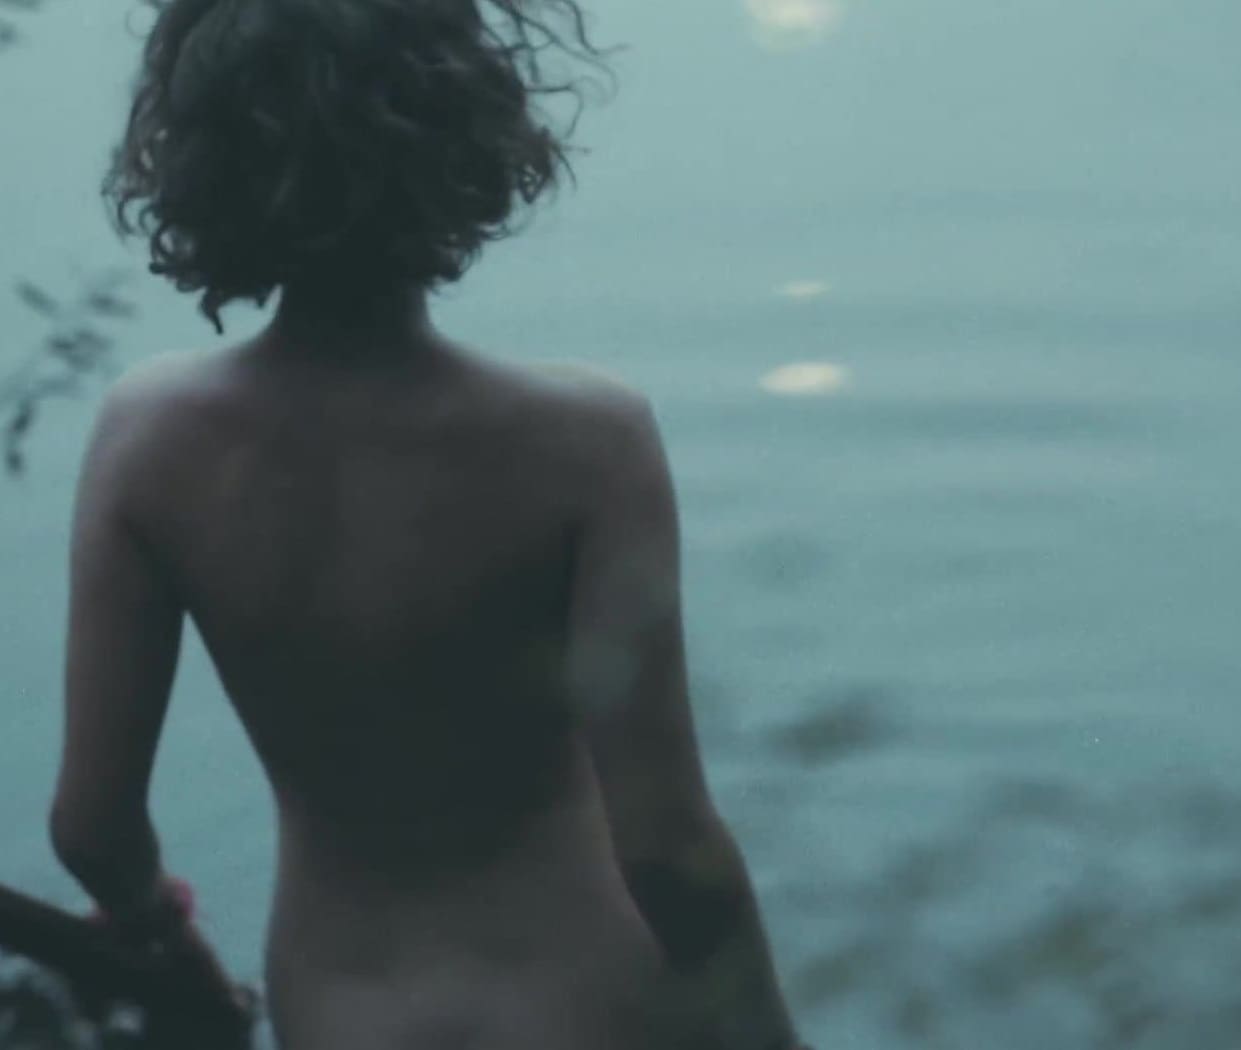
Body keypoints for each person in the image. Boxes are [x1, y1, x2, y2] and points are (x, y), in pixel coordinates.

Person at [48, 1, 810, 1047]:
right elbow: (668, 852)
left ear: (200, 158)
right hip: (591, 1003)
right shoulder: (590, 442)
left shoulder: (147, 442)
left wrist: (168, 944)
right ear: (465, 134)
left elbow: (92, 828)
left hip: (346, 1013)